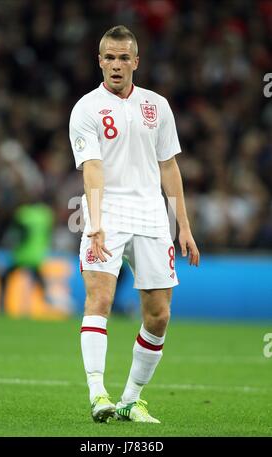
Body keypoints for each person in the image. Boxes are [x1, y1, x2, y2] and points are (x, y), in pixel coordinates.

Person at [69, 25, 200, 424]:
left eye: (124, 57)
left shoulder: (156, 106)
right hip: (105, 211)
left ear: (136, 62)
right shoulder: (86, 108)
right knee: (100, 300)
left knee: (159, 314)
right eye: (109, 57)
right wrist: (94, 220)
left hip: (151, 215)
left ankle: (130, 398)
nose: (116, 64)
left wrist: (184, 225)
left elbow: (168, 165)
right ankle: (98, 395)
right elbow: (92, 168)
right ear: (99, 61)